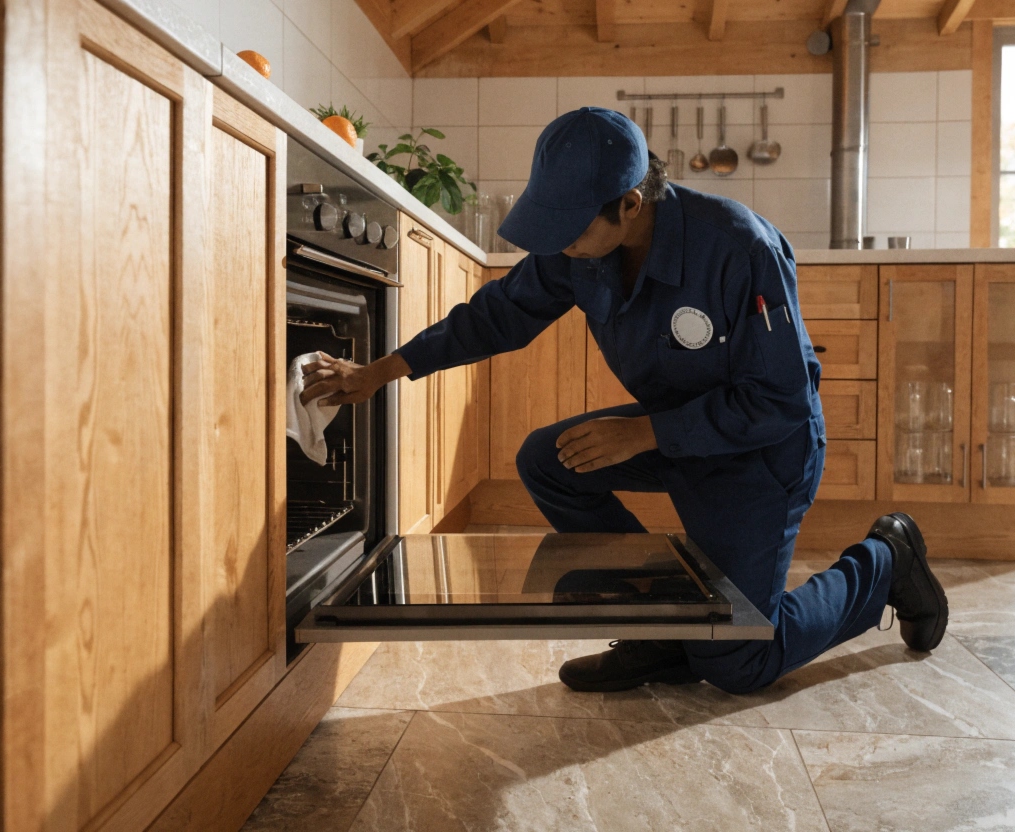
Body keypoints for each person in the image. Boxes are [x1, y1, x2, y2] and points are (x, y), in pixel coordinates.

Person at [301, 107, 948, 694]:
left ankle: (886, 561)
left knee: (738, 664)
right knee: (549, 459)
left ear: (631, 205)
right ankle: (662, 629)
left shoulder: (740, 248)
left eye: (569, 229)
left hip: (759, 453)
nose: (557, 244)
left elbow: (778, 401)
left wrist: (645, 435)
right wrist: (380, 370)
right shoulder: (578, 249)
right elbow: (495, 316)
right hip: (673, 433)